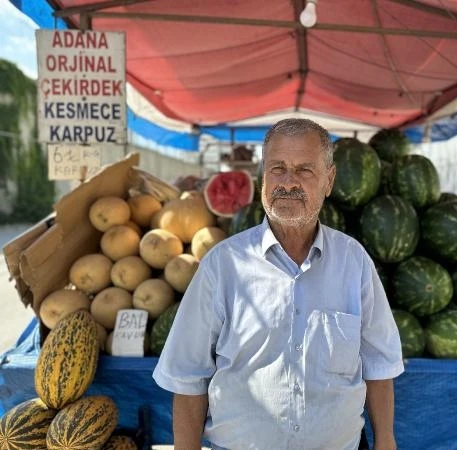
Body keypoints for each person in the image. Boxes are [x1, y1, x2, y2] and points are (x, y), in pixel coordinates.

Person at [153, 118, 404, 450]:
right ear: (262, 180)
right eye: (278, 169)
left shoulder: (354, 261)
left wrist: (385, 440)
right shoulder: (223, 265)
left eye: (304, 170)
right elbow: (186, 378)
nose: (289, 183)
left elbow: (379, 363)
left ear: (329, 181)